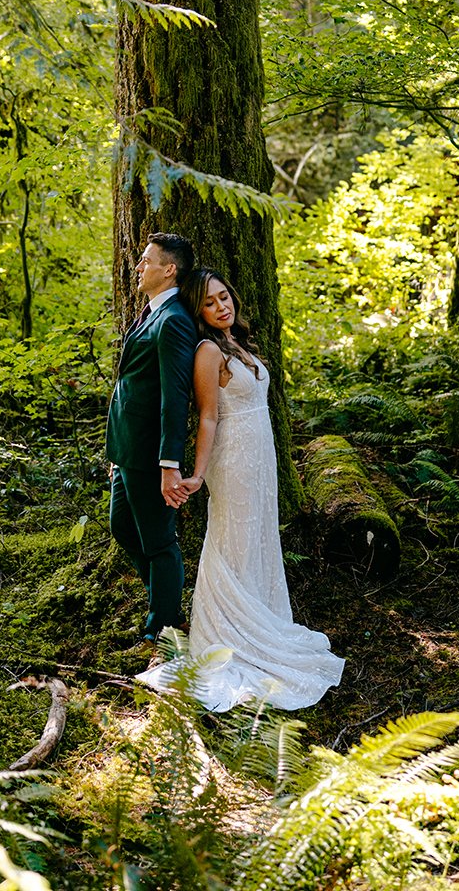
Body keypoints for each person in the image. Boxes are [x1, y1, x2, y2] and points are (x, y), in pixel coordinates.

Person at [137, 267, 344, 710]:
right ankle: (230, 632)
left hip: (261, 456)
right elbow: (208, 416)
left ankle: (261, 618)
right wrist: (197, 473)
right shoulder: (208, 351)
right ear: (198, 312)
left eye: (223, 297)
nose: (220, 307)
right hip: (233, 459)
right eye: (209, 303)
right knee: (233, 538)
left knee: (258, 538)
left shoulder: (238, 345)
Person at [107, 232, 197, 642]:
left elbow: (175, 398)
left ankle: (164, 626)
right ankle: (163, 596)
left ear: (169, 270)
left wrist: (169, 464)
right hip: (127, 451)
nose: (139, 266)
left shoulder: (174, 320)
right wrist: (116, 454)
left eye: (147, 260)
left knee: (160, 542)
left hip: (150, 456)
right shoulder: (150, 312)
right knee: (123, 528)